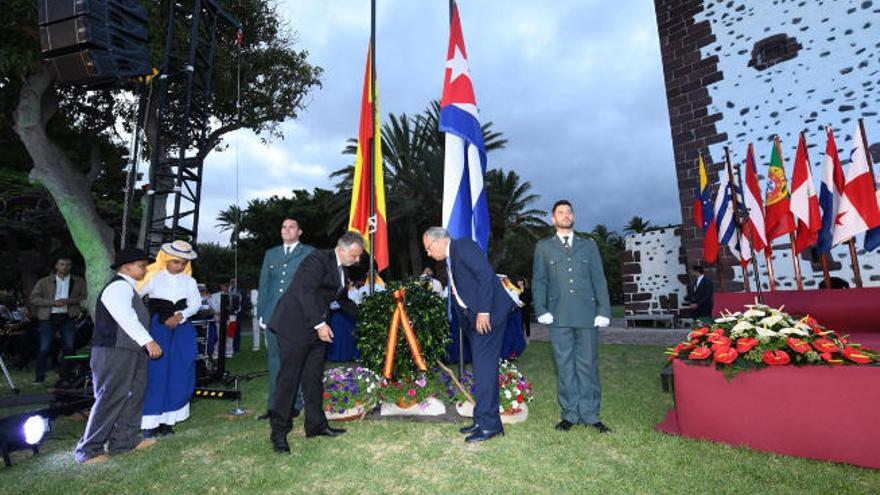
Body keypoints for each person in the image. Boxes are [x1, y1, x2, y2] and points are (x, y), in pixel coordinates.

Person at [268, 231, 363, 454]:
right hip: (294, 326)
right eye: (355, 255)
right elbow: (305, 291)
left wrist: (366, 318)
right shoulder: (317, 259)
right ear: (341, 248)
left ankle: (316, 425)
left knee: (313, 379)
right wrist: (320, 325)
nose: (357, 260)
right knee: (288, 381)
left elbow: (341, 298)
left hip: (317, 328)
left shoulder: (343, 268)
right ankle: (279, 433)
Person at [423, 227, 515, 443]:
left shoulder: (463, 246)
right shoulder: (451, 256)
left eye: (428, 248)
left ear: (438, 241)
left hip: (489, 317)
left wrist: (484, 311)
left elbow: (485, 274)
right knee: (482, 371)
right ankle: (483, 420)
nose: (428, 253)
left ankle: (490, 426)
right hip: (476, 321)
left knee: (484, 372)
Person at [75, 247, 162, 464]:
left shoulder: (130, 289)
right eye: (141, 265)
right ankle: (89, 450)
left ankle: (124, 442)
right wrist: (148, 340)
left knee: (135, 394)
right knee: (110, 397)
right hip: (113, 350)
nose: (145, 269)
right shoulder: (118, 288)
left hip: (131, 350)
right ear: (126, 267)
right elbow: (125, 317)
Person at [532, 200, 612, 434]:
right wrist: (542, 309)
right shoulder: (544, 247)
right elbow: (539, 281)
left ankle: (590, 414)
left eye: (569, 212)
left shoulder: (588, 245)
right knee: (565, 366)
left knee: (587, 365)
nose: (565, 215)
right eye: (560, 213)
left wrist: (603, 311)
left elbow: (599, 279)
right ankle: (569, 414)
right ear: (553, 219)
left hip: (587, 316)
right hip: (558, 316)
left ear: (574, 216)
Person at [137, 240, 200, 437]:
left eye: (182, 262)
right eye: (175, 262)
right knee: (156, 372)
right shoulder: (153, 278)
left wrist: (181, 315)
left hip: (181, 330)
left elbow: (196, 304)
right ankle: (150, 422)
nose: (179, 266)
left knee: (179, 371)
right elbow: (134, 295)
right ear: (166, 260)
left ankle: (169, 421)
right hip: (158, 329)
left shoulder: (189, 282)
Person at [257, 218, 315, 420]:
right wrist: (262, 314)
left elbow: (312, 286)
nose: (287, 230)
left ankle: (294, 403)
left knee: (294, 361)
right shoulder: (271, 254)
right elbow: (264, 285)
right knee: (274, 361)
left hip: (296, 316)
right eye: (283, 227)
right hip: (273, 315)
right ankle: (274, 407)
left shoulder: (308, 252)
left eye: (291, 227)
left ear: (300, 232)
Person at [29, 257, 87, 385]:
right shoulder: (44, 282)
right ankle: (39, 377)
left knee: (69, 347)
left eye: (68, 265)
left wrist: (69, 301)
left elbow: (84, 296)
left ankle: (66, 375)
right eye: (62, 264)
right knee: (44, 347)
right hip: (48, 317)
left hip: (68, 316)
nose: (65, 267)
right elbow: (34, 298)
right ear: (56, 266)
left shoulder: (78, 281)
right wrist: (52, 303)